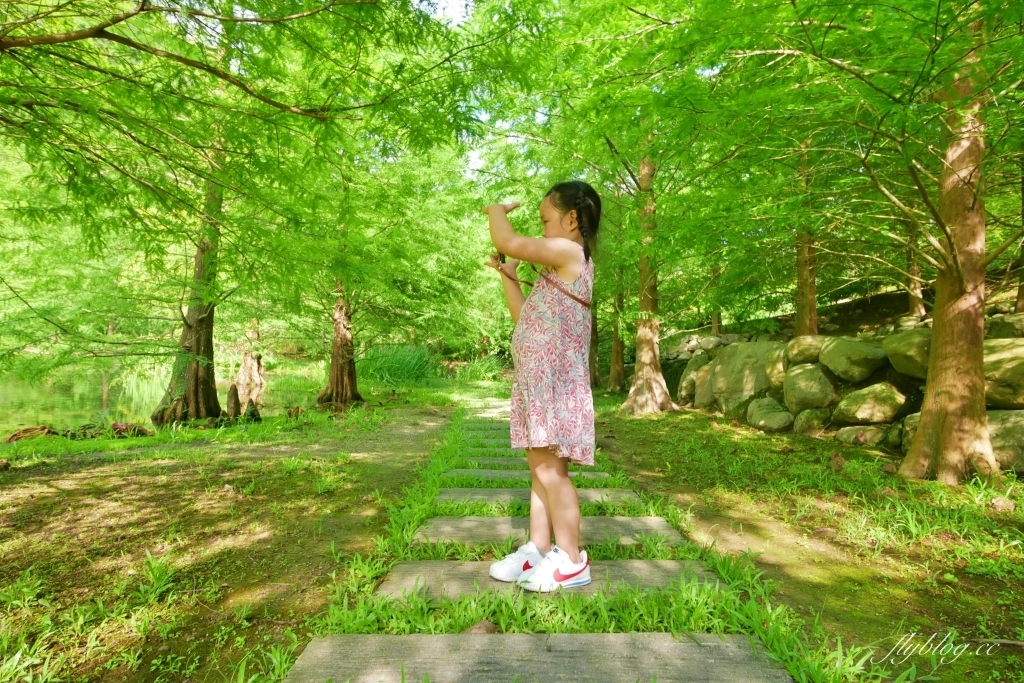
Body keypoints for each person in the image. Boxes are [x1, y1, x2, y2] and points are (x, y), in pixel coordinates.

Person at [481, 180, 600, 593]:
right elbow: (525, 320)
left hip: (554, 384)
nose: (542, 230)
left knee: (551, 471)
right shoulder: (556, 273)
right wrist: (508, 277)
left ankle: (570, 560)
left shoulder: (570, 253)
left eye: (545, 220)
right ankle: (538, 547)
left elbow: (506, 238)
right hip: (538, 381)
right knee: (539, 471)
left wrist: (496, 209)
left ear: (571, 220)